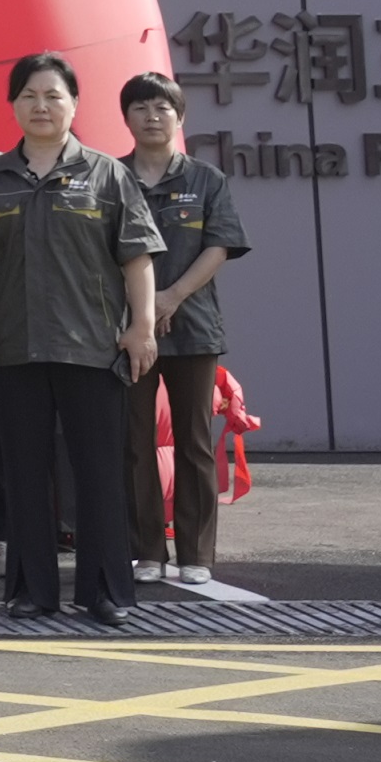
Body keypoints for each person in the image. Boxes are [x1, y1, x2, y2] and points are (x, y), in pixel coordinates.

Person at [0, 52, 161, 627]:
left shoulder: (107, 175)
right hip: (13, 346)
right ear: (12, 105)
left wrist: (142, 327)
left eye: (53, 95)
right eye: (29, 96)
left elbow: (137, 256)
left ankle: (105, 590)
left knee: (99, 472)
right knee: (24, 471)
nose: (41, 106)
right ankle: (32, 590)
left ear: (74, 104)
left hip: (93, 347)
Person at [114, 72, 255, 588]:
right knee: (134, 441)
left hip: (193, 326)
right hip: (127, 330)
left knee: (194, 441)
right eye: (141, 107)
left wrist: (171, 296)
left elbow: (219, 246)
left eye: (163, 108)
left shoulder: (206, 179)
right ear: (126, 117)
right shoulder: (111, 177)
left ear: (180, 118)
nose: (152, 117)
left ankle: (196, 552)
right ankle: (147, 550)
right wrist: (142, 310)